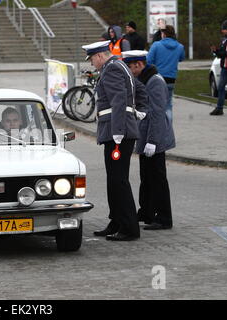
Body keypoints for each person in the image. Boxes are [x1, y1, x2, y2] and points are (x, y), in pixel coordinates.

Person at [82, 40, 141, 241]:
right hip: (117, 130)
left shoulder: (112, 69)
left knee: (119, 181)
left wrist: (117, 130)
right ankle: (116, 221)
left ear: (99, 56)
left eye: (92, 59)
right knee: (114, 180)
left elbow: (118, 99)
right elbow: (138, 90)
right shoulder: (117, 66)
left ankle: (129, 228)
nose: (92, 64)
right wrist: (138, 111)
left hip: (118, 133)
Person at [123, 50, 176, 230]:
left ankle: (163, 218)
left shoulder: (155, 82)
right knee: (146, 177)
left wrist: (153, 141)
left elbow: (157, 115)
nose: (129, 71)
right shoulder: (143, 80)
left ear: (139, 65)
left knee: (158, 179)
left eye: (130, 67)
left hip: (155, 138)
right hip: (145, 136)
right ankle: (146, 211)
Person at [147, 25, 184, 122]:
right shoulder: (180, 47)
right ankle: (168, 130)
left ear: (163, 34)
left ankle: (159, 128)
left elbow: (148, 60)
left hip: (158, 78)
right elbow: (181, 58)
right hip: (171, 78)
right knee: (168, 104)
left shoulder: (156, 45)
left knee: (156, 104)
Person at [209, 20, 227, 116]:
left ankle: (219, 108)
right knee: (220, 87)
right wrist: (216, 51)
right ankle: (219, 108)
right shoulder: (226, 39)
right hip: (225, 67)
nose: (222, 31)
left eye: (223, 29)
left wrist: (223, 53)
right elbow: (223, 52)